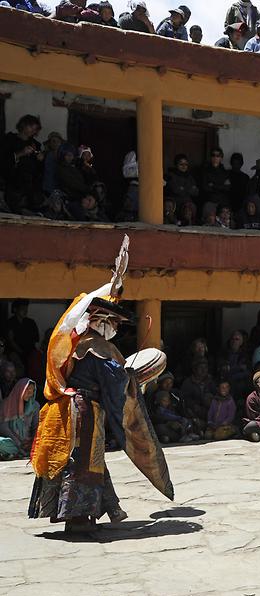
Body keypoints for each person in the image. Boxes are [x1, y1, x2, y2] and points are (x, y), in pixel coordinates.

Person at [29, 241, 173, 532]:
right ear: (101, 321)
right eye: (113, 322)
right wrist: (133, 378)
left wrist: (116, 285)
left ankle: (106, 507)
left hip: (70, 410)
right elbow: (115, 382)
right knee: (83, 464)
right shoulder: (97, 348)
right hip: (83, 413)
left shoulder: (75, 344)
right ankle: (78, 519)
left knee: (83, 461)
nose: (115, 328)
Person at [1, 114, 43, 213]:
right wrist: (20, 153)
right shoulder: (8, 140)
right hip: (11, 184)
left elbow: (39, 170)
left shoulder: (35, 144)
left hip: (30, 188)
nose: (33, 130)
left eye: (35, 128)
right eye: (31, 127)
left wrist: (40, 160)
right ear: (23, 125)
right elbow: (3, 161)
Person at [0, 378, 39, 460]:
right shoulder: (6, 404)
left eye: (32, 390)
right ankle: (16, 452)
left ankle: (12, 454)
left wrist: (33, 442)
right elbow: (4, 428)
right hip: (12, 442)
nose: (30, 393)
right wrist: (18, 442)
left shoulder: (35, 406)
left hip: (28, 443)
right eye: (27, 390)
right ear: (20, 390)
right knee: (2, 443)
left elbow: (36, 427)